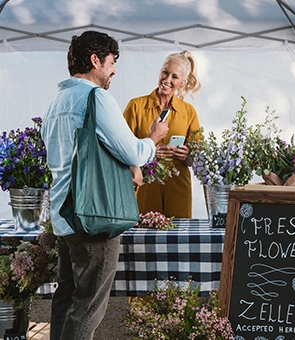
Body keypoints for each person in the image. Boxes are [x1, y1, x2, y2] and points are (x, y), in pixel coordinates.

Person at [42, 30, 169, 339]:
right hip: (93, 218)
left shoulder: (56, 102)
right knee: (87, 306)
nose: (113, 70)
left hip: (63, 216)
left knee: (65, 300)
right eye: (112, 62)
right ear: (95, 60)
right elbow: (131, 150)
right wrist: (153, 138)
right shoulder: (95, 98)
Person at [123, 50, 201, 218]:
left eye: (175, 77)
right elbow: (121, 148)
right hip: (144, 189)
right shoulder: (136, 106)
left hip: (178, 189)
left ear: (183, 81)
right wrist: (150, 151)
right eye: (165, 73)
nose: (167, 80)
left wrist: (187, 154)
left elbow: (196, 159)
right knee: (142, 238)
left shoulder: (189, 112)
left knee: (179, 239)